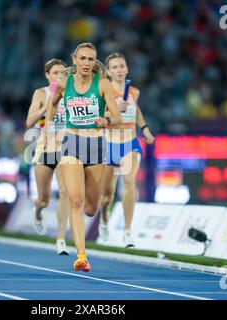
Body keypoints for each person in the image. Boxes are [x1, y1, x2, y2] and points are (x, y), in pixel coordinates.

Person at [45, 43, 121, 272]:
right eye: (83, 58)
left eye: (91, 59)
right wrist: (49, 128)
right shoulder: (64, 83)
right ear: (74, 60)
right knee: (75, 201)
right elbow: (53, 104)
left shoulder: (103, 84)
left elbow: (116, 116)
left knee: (90, 208)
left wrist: (106, 121)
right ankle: (81, 256)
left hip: (96, 146)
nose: (87, 63)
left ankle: (91, 220)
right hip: (72, 143)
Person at [98, 53, 155, 248]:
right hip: (109, 144)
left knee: (130, 182)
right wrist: (113, 109)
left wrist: (145, 128)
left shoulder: (134, 92)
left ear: (127, 69)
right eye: (115, 67)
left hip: (130, 143)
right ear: (108, 72)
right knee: (107, 196)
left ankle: (127, 231)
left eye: (122, 66)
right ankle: (104, 219)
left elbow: (136, 111)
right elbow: (96, 115)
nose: (119, 70)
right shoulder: (102, 91)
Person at [26, 58, 70, 255]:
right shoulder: (40, 93)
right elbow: (29, 122)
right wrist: (47, 106)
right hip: (45, 149)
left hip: (66, 148)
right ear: (47, 75)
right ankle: (37, 212)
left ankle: (61, 238)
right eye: (55, 73)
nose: (59, 76)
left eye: (62, 73)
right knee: (44, 198)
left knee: (65, 193)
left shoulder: (72, 93)